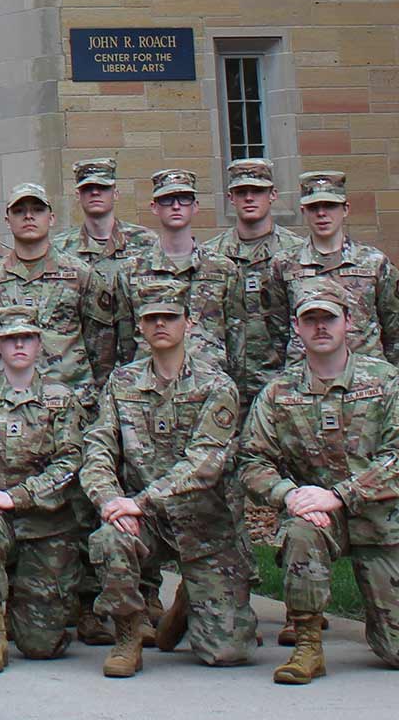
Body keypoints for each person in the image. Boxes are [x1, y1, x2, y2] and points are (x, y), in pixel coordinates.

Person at [81, 280, 255, 678]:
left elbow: (204, 464)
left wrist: (138, 501)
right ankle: (128, 634)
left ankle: (189, 596)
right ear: (140, 327)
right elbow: (98, 449)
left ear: (188, 324)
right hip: (144, 524)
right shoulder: (121, 384)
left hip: (205, 525)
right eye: (151, 318)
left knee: (228, 652)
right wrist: (110, 501)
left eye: (169, 317)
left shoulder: (216, 386)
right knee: (110, 537)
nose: (160, 324)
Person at [238, 277, 399, 683]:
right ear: (297, 327)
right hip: (319, 521)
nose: (320, 328)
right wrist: (288, 495)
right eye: (310, 320)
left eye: (328, 318)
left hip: (385, 521)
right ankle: (308, 644)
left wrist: (340, 495)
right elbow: (252, 460)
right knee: (301, 531)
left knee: (395, 650)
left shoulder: (386, 382)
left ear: (348, 321)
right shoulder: (278, 392)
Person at [0, 305, 86, 673]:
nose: (19, 345)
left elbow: (70, 464)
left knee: (42, 646)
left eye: (26, 337)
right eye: (11, 339)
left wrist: (16, 497)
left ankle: (28, 604)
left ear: (39, 344)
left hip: (46, 525)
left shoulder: (61, 398)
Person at [0, 183, 120, 392]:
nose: (28, 216)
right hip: (8, 407)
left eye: (37, 210)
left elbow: (102, 349)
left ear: (51, 218)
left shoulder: (81, 275)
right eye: (19, 211)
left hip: (73, 404)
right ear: (7, 221)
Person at [263, 170, 399, 371]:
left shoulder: (374, 262)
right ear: (303, 211)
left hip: (366, 381)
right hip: (305, 380)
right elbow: (277, 329)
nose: (321, 213)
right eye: (313, 207)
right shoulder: (284, 264)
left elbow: (394, 327)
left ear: (345, 209)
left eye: (330, 205)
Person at [115, 169, 243, 370]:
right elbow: (125, 341)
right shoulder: (132, 271)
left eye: (184, 199)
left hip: (209, 386)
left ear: (195, 207)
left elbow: (236, 337)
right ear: (154, 207)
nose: (176, 206)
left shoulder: (223, 268)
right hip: (150, 387)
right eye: (167, 200)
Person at [203, 158, 303, 409]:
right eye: (241, 192)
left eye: (257, 191)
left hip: (283, 387)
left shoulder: (298, 253)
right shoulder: (209, 256)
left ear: (273, 195)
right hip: (224, 387)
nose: (249, 198)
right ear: (230, 197)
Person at [52, 158, 156, 362]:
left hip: (135, 362)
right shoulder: (59, 248)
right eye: (87, 188)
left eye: (103, 187)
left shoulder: (146, 243)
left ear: (115, 193)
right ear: (78, 195)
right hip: (81, 365)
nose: (95, 193)